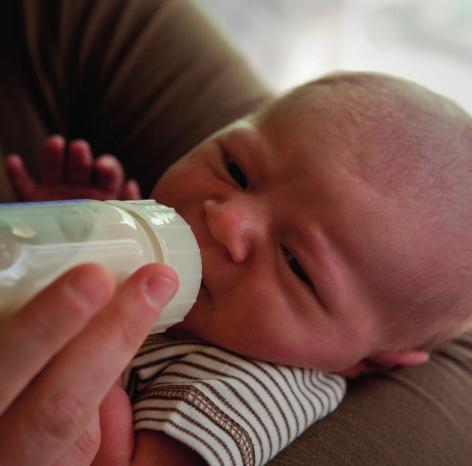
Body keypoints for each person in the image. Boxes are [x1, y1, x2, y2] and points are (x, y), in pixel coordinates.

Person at [1, 0, 471, 465]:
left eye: (295, 264)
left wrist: (101, 329)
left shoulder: (249, 388)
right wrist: (75, 230)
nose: (228, 221)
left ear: (368, 362)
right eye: (235, 168)